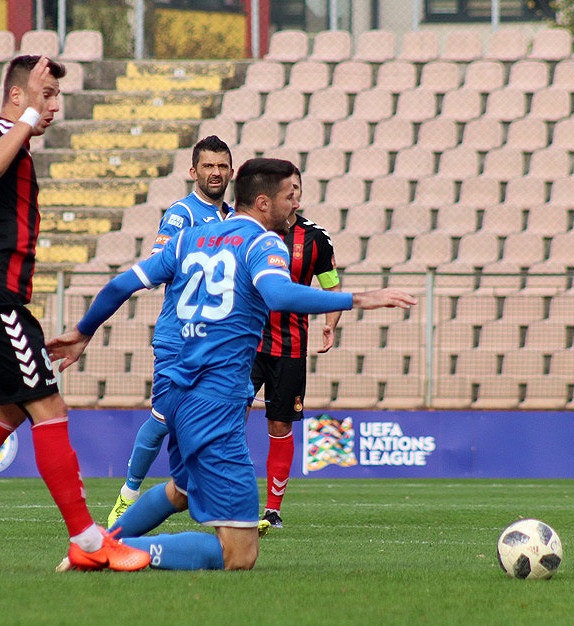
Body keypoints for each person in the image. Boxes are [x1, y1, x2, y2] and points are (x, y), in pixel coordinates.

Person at [48, 158, 416, 570]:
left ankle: (103, 543)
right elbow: (278, 295)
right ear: (263, 202)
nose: (297, 204)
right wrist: (357, 299)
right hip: (215, 399)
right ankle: (113, 552)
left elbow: (121, 284)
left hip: (175, 390)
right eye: (291, 195)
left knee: (182, 488)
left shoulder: (189, 239)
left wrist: (82, 332)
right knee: (239, 555)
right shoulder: (263, 244)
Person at [0, 55, 150, 572]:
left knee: (7, 410)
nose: (52, 107)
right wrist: (21, 123)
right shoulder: (3, 137)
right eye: (46, 95)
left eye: (56, 98)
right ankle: (88, 542)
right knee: (49, 407)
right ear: (17, 96)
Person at [106, 135, 234, 528]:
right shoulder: (182, 214)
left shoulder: (234, 219)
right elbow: (159, 262)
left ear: (231, 171)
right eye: (208, 166)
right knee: (163, 418)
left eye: (222, 166)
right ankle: (127, 497)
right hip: (179, 338)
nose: (215, 172)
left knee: (216, 418)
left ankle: (218, 501)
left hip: (217, 341)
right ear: (193, 171)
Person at [251, 168, 342, 529]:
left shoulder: (316, 238)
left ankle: (272, 510)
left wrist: (331, 322)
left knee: (280, 424)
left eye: (297, 189)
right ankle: (229, 498)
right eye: (286, 190)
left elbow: (331, 286)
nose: (293, 195)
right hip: (247, 342)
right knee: (229, 417)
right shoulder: (249, 231)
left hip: (290, 348)